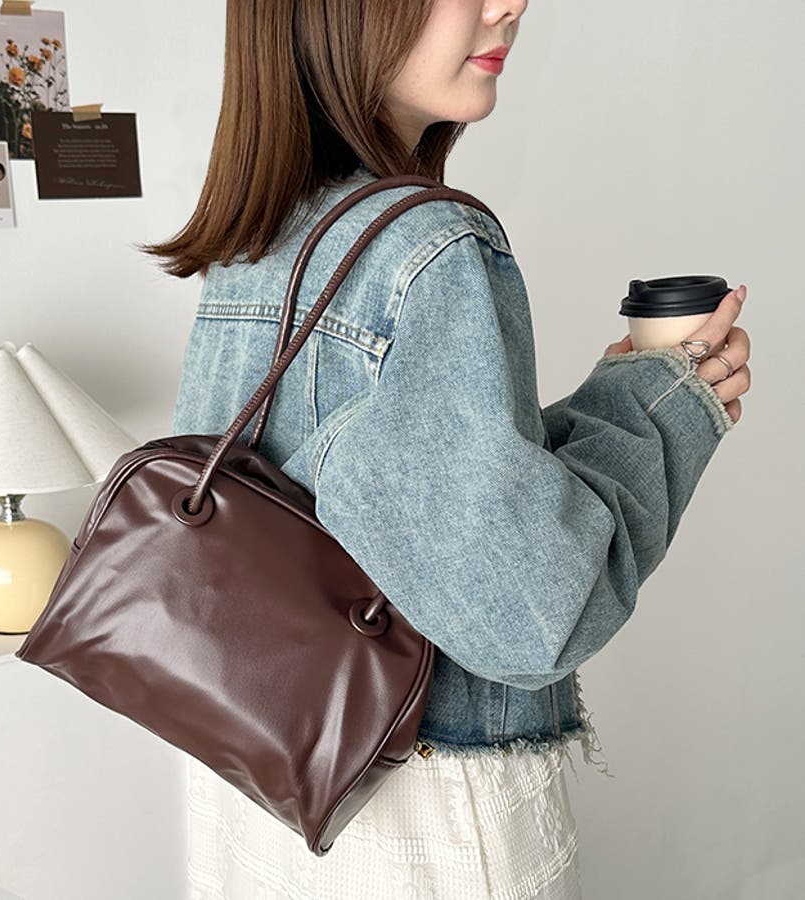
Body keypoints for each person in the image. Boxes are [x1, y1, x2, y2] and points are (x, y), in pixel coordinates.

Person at [140, 1, 752, 897]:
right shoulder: (428, 245)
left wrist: (616, 400)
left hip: (250, 781)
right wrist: (667, 408)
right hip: (413, 815)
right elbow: (533, 616)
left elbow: (386, 502)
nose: (510, 4)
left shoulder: (260, 238)